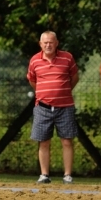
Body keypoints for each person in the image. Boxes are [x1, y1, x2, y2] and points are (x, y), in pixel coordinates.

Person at [27, 31, 79, 184]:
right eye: (45, 42)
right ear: (40, 44)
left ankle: (67, 175)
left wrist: (62, 90)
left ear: (57, 43)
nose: (48, 45)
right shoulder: (34, 60)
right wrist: (44, 93)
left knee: (67, 141)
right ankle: (44, 175)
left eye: (51, 42)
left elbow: (74, 77)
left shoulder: (67, 57)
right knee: (43, 141)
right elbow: (32, 80)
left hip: (65, 106)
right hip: (42, 107)